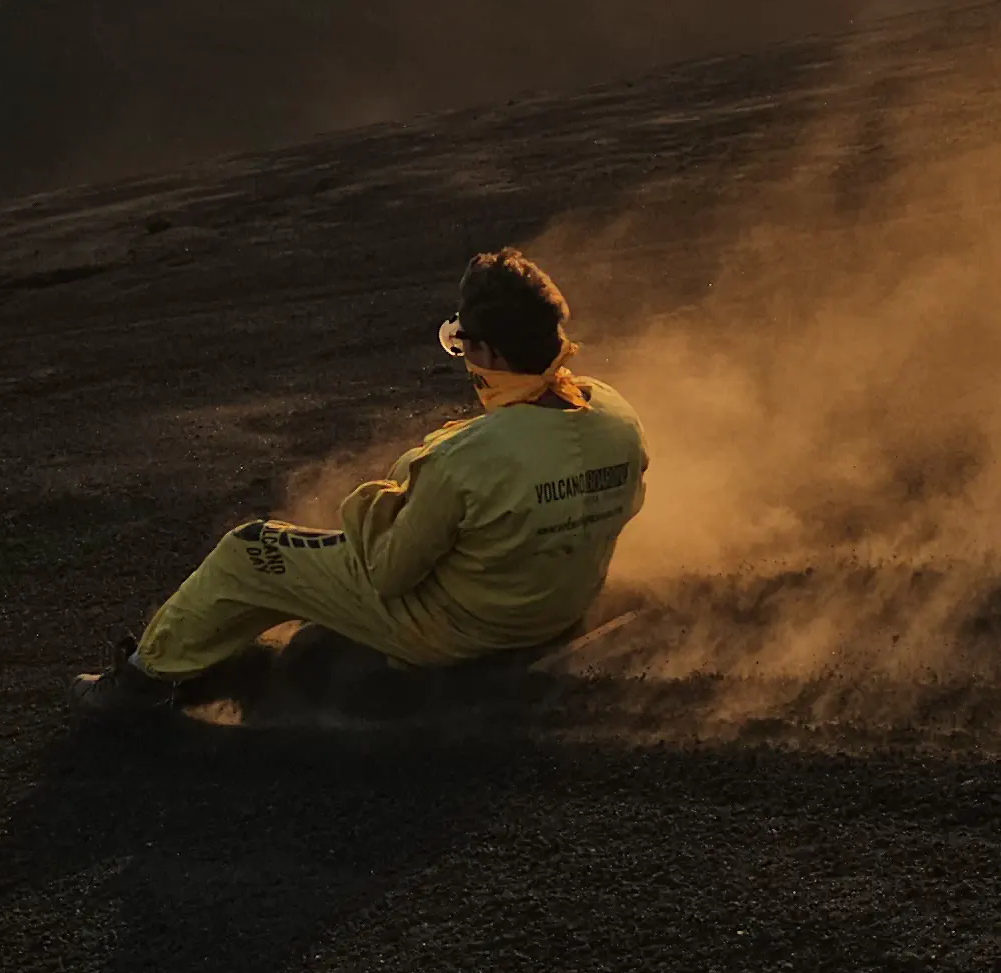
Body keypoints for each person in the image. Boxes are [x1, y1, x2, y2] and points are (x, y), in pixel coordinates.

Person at [73, 247, 646, 721]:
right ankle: (244, 655)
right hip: (558, 605)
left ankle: (137, 686)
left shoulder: (464, 459)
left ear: (489, 351)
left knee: (252, 551)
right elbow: (625, 503)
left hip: (462, 631)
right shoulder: (616, 414)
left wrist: (378, 500)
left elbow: (392, 574)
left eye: (463, 344)